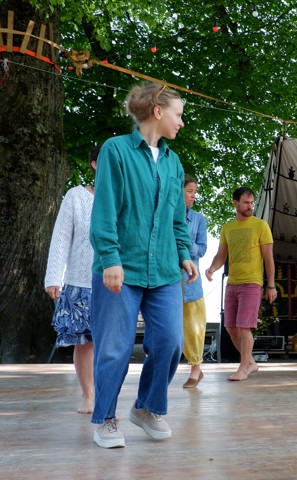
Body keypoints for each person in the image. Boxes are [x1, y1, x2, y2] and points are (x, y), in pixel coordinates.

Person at [89, 82, 198, 449]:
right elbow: (104, 210)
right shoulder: (115, 151)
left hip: (165, 270)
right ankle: (105, 418)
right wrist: (110, 258)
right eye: (178, 114)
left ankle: (147, 407)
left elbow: (177, 219)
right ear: (157, 111)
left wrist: (184, 253)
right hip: (122, 267)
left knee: (170, 341)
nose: (182, 122)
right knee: (114, 348)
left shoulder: (173, 161)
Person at [44, 145, 99, 414]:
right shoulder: (76, 196)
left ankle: (106, 394)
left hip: (114, 283)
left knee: (110, 343)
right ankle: (89, 395)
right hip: (79, 282)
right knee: (84, 343)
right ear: (95, 164)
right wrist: (54, 276)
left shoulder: (125, 197)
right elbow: (61, 237)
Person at [205, 187, 277, 382]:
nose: (250, 206)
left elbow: (268, 257)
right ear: (235, 203)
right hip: (232, 283)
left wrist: (271, 285)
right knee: (230, 327)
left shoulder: (261, 225)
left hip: (252, 283)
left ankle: (244, 367)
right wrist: (212, 268)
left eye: (252, 202)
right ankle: (251, 362)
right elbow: (221, 255)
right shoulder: (227, 227)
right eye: (246, 202)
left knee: (244, 327)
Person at [181, 174, 208, 388]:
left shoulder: (199, 220)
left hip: (191, 282)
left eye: (194, 192)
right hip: (166, 280)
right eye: (190, 191)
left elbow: (202, 249)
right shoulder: (164, 216)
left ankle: (196, 368)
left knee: (194, 328)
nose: (193, 196)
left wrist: (183, 243)